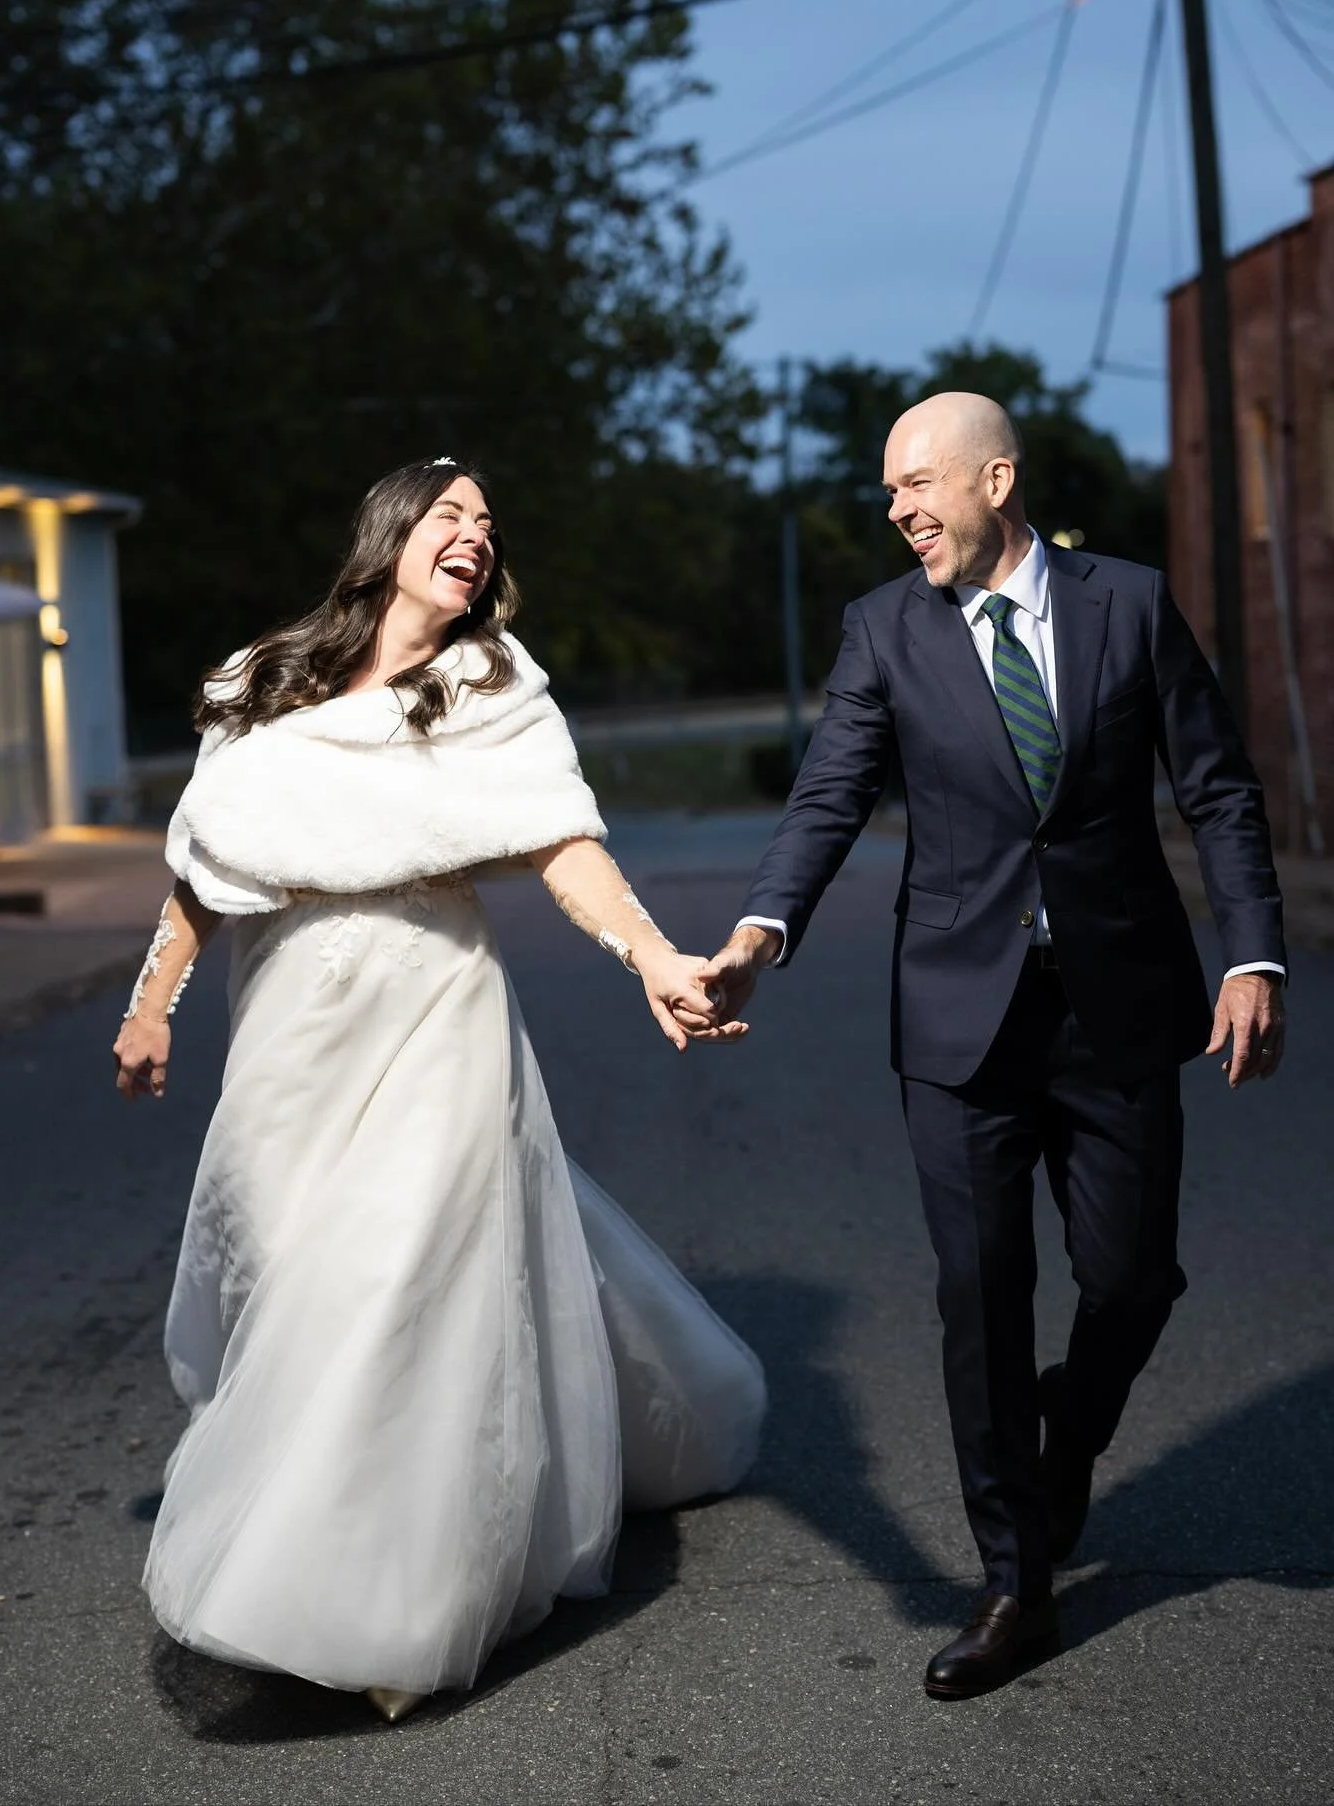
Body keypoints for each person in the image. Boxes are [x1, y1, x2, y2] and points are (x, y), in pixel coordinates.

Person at [113, 457, 764, 1720]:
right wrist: (153, 1002)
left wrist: (651, 955)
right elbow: (204, 859)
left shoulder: (489, 684)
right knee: (300, 1263)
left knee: (397, 1273)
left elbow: (561, 838)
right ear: (391, 532)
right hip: (294, 1015)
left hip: (435, 1002)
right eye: (450, 513)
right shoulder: (264, 680)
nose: (474, 533)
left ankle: (389, 1601)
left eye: (486, 522)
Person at [695, 392, 1286, 1701]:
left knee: (1133, 1280)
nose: (899, 509)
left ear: (996, 477)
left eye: (918, 483)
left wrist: (1252, 950)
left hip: (1120, 1007)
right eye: (888, 492)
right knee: (982, 1295)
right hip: (958, 1024)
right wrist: (757, 930)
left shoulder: (1127, 604)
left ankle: (1067, 1438)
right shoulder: (882, 630)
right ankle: (1014, 1576)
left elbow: (1219, 785)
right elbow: (829, 794)